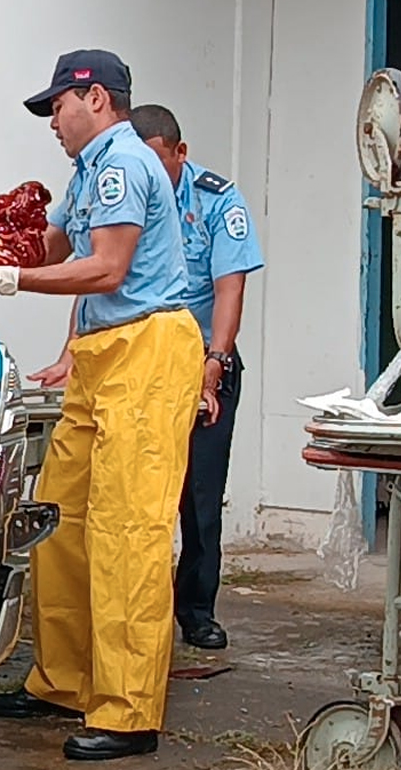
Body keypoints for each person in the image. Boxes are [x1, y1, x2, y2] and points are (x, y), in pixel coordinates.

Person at [0, 50, 202, 762]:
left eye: (58, 107)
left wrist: (9, 281)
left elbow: (106, 268)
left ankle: (128, 712)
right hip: (102, 353)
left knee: (127, 533)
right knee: (60, 522)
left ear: (94, 98)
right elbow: (53, 245)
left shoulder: (125, 163)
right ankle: (64, 680)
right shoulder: (88, 170)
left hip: (149, 351)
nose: (52, 124)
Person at [130, 103, 263, 651]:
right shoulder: (125, 196)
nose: (150, 177)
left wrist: (216, 361)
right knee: (139, 498)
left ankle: (197, 609)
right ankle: (144, 610)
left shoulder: (216, 199)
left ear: (179, 153)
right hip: (140, 365)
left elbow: (230, 287)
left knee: (199, 497)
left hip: (203, 359)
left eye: (159, 163)